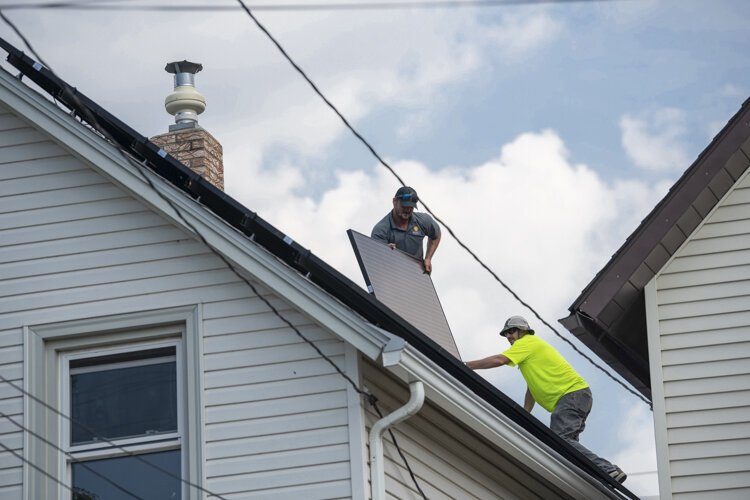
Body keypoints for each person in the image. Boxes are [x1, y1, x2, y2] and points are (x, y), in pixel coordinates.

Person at [465, 315, 628, 484]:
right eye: (506, 334)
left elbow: (499, 359)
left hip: (571, 395)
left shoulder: (526, 343)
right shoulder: (529, 353)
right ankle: (598, 478)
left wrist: (467, 365)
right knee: (567, 449)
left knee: (561, 439)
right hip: (576, 396)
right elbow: (532, 388)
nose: (508, 337)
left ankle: (608, 470)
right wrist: (524, 413)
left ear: (522, 331)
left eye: (511, 331)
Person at [371, 186, 441, 273]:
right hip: (392, 276)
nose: (408, 210)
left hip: (418, 275)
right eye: (405, 206)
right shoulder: (381, 230)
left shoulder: (423, 221)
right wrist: (385, 251)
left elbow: (436, 235)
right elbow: (376, 258)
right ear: (394, 202)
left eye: (411, 207)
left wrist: (428, 258)